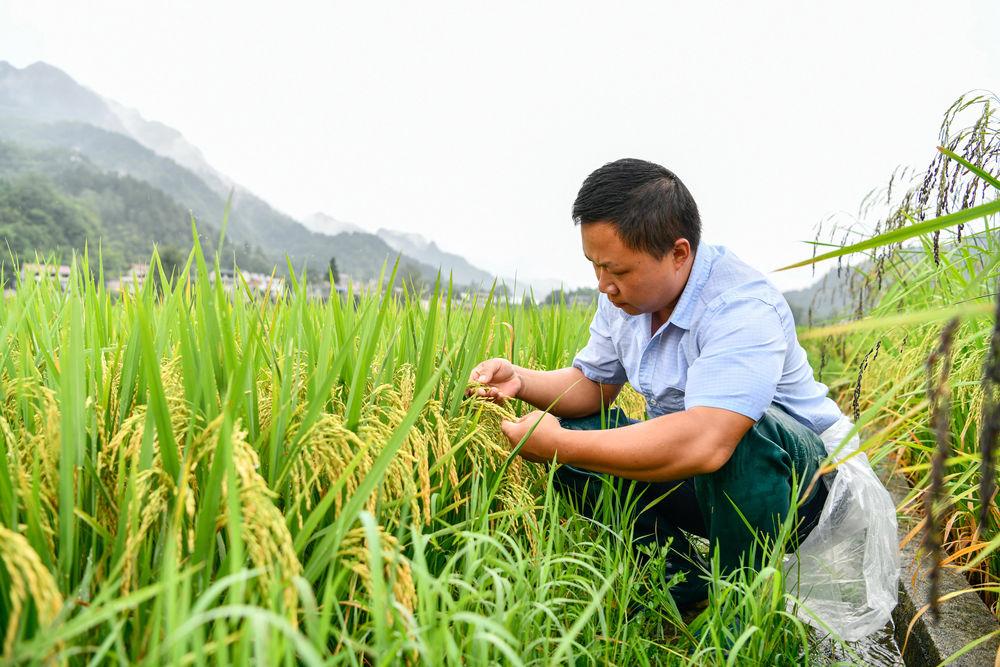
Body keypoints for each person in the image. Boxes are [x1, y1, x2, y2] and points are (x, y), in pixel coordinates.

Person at [467, 158, 897, 629]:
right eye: (595, 267)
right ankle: (683, 586)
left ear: (678, 252)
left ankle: (737, 611)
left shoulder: (740, 307)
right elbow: (594, 386)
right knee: (577, 430)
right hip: (707, 476)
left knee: (739, 437)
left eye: (617, 270)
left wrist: (557, 446)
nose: (604, 285)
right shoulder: (623, 299)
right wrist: (523, 382)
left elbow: (709, 442)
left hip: (803, 490)